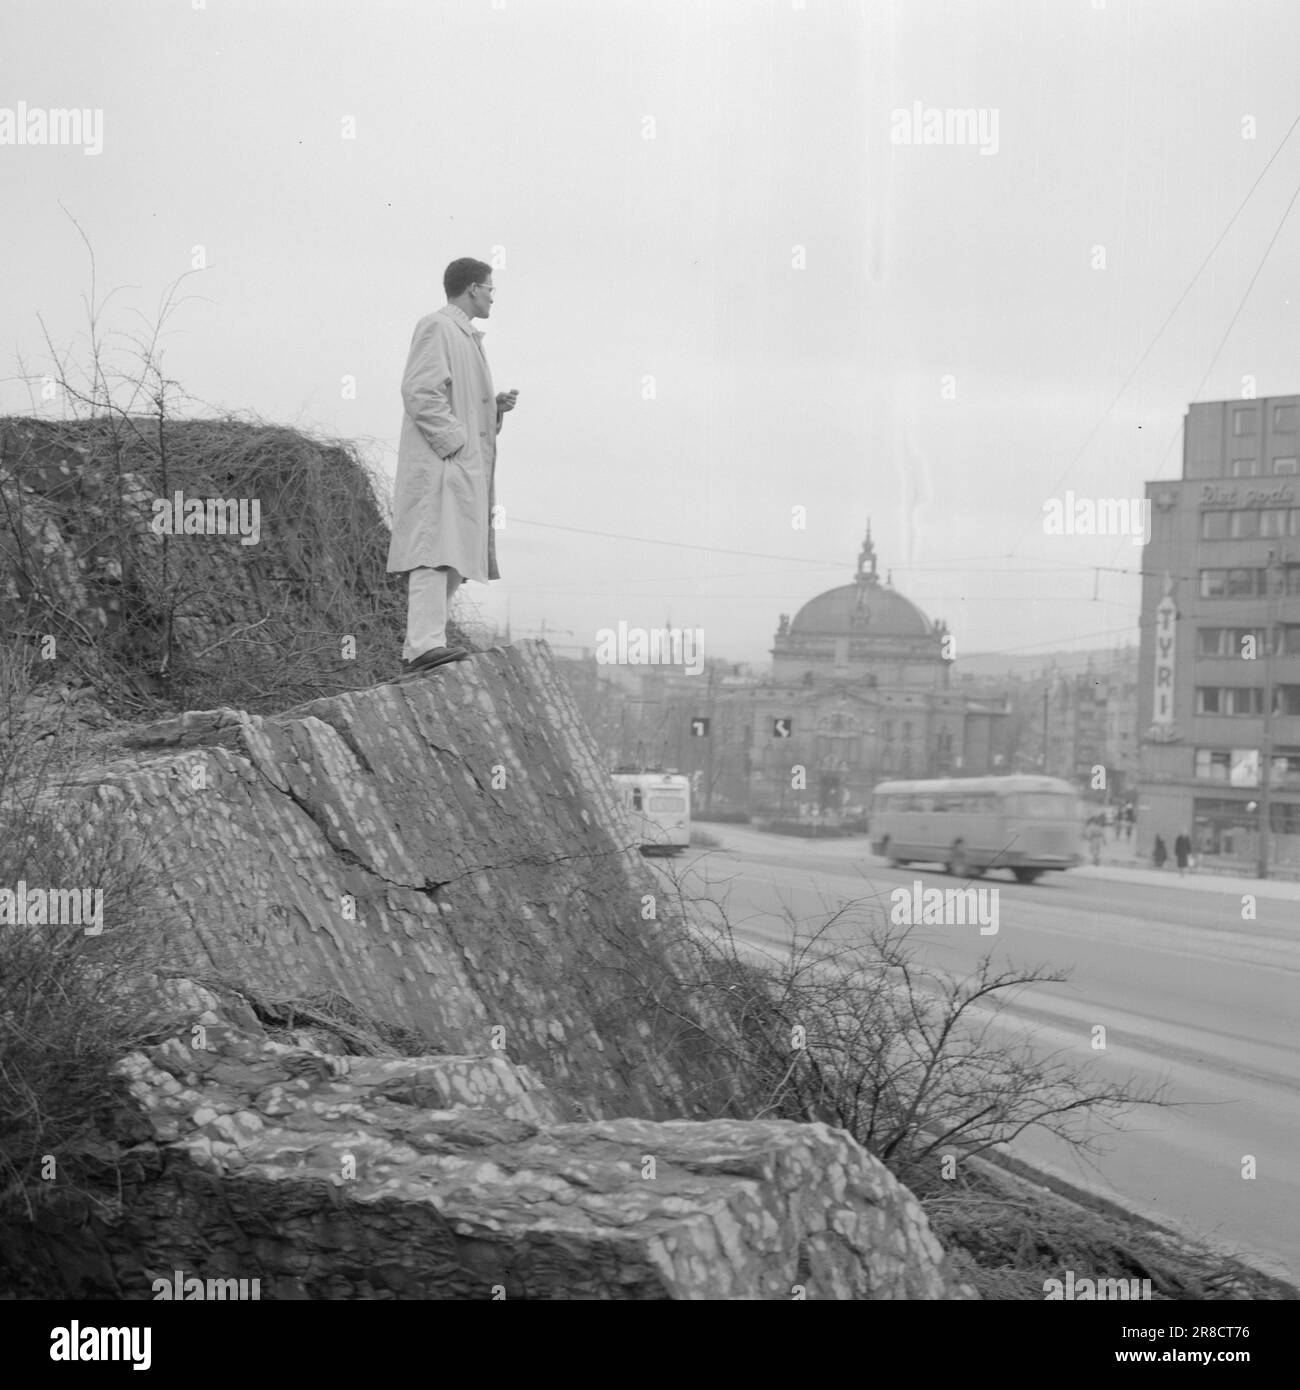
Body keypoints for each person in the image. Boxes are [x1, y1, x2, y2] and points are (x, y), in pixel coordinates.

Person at [387, 257, 519, 675]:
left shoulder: (465, 336)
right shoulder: (438, 326)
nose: (493, 296)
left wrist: (492, 409)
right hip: (442, 465)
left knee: (450, 556)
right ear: (472, 288)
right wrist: (455, 442)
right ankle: (423, 645)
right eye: (490, 288)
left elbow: (452, 397)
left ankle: (429, 643)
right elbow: (419, 391)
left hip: (456, 466)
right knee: (432, 550)